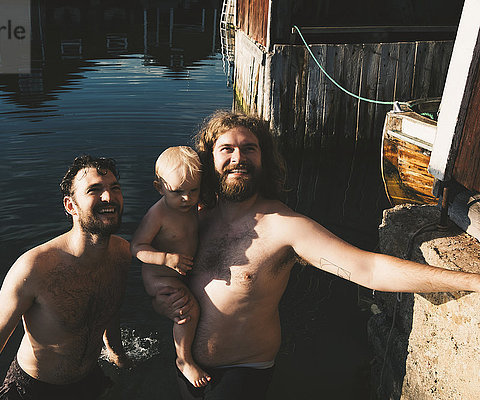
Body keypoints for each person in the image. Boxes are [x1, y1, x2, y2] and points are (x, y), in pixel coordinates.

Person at [152, 110, 480, 400]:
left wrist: (471, 280)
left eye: (249, 148)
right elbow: (159, 277)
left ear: (263, 159)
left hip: (244, 372)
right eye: (227, 149)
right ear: (208, 159)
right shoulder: (193, 218)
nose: (238, 157)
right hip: (188, 367)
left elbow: (367, 268)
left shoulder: (284, 225)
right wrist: (161, 302)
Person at [0, 155, 131, 400]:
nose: (109, 197)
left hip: (88, 381)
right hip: (32, 390)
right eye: (94, 190)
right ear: (71, 206)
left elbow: (109, 308)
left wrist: (117, 353)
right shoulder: (35, 267)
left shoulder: (123, 254)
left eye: (115, 188)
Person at [131, 146, 210, 388]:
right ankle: (183, 360)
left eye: (193, 190)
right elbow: (137, 247)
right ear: (159, 188)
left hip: (180, 273)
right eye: (178, 192)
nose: (187, 198)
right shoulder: (158, 214)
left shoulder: (191, 207)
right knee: (188, 310)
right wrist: (165, 259)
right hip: (160, 276)